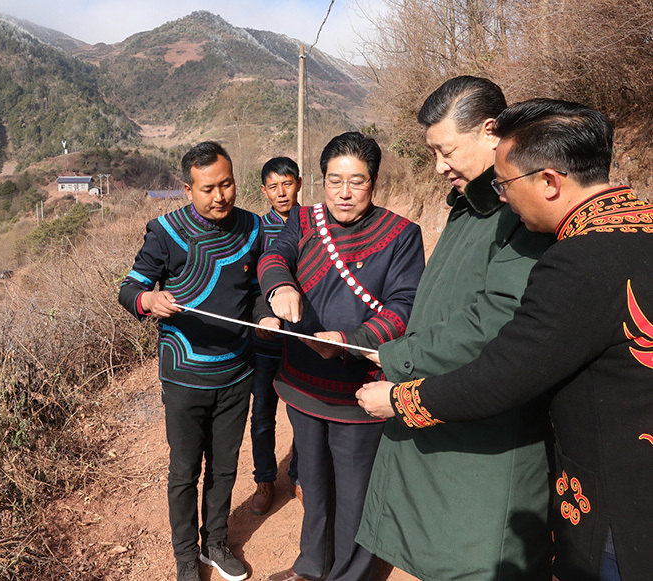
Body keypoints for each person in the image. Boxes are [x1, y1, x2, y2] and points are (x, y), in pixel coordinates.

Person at [357, 98, 653, 581]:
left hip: (622, 511)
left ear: (550, 182)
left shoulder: (577, 261)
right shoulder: (641, 232)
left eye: (506, 184)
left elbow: (505, 374)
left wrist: (401, 398)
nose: (503, 198)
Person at [354, 76, 555, 580]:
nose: (440, 167)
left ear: (491, 132)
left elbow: (499, 318)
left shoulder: (522, 209)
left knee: (478, 555)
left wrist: (400, 357)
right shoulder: (474, 206)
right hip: (445, 397)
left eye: (447, 151)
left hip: (487, 431)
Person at [258, 132, 424, 581]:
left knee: (355, 492)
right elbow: (275, 254)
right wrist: (281, 285)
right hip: (303, 381)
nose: (344, 193)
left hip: (359, 389)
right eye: (334, 181)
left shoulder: (402, 234)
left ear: (374, 183)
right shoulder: (304, 219)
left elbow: (405, 305)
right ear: (322, 180)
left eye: (357, 182)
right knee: (312, 480)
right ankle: (312, 567)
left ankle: (351, 575)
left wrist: (351, 338)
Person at [118, 141, 264, 581]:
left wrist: (268, 314)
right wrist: (149, 298)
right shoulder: (165, 232)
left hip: (238, 372)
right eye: (207, 189)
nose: (219, 196)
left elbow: (256, 292)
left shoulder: (254, 229)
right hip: (184, 376)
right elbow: (130, 288)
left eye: (227, 184)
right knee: (185, 470)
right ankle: (185, 555)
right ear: (187, 189)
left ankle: (215, 543)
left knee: (224, 465)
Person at [250, 156, 301, 516]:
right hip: (267, 336)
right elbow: (251, 287)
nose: (281, 193)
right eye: (273, 186)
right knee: (263, 413)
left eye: (287, 183)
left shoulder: (315, 221)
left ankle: (300, 476)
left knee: (302, 410)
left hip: (303, 335)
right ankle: (265, 479)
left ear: (298, 182)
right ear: (264, 191)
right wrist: (264, 318)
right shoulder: (256, 230)